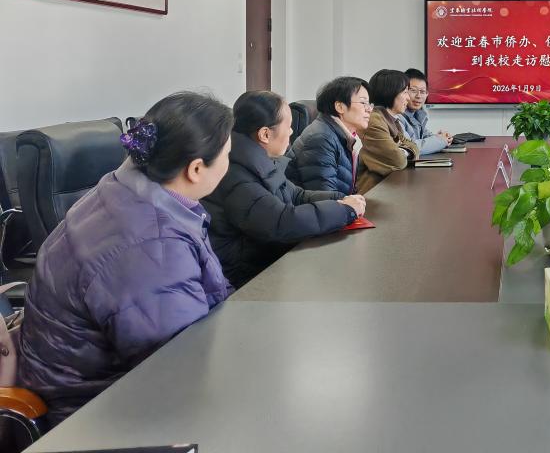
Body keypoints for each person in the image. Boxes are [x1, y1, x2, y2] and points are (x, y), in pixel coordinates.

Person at [17, 92, 234, 423]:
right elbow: (179, 370)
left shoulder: (124, 188)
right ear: (195, 169)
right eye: (227, 155)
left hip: (97, 381)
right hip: (93, 411)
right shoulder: (150, 245)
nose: (230, 163)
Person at [205, 91, 366, 288]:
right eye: (288, 126)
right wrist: (344, 211)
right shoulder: (236, 174)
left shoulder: (259, 159)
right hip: (246, 279)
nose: (291, 132)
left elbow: (296, 195)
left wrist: (341, 199)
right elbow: (281, 222)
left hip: (266, 258)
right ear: (265, 134)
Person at [288, 76, 372, 194]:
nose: (369, 109)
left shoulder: (347, 136)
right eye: (363, 102)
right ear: (340, 107)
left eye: (369, 104)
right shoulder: (321, 139)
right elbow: (324, 197)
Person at [356, 69, 420, 193]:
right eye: (405, 92)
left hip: (389, 187)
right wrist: (403, 150)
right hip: (373, 192)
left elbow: (414, 147)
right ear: (390, 93)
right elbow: (398, 160)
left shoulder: (391, 120)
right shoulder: (373, 120)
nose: (408, 98)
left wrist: (401, 150)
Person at [398, 68, 452, 155]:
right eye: (413, 90)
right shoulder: (397, 116)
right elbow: (408, 147)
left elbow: (425, 136)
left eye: (422, 91)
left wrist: (442, 137)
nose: (418, 96)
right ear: (403, 91)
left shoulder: (418, 114)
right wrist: (440, 141)